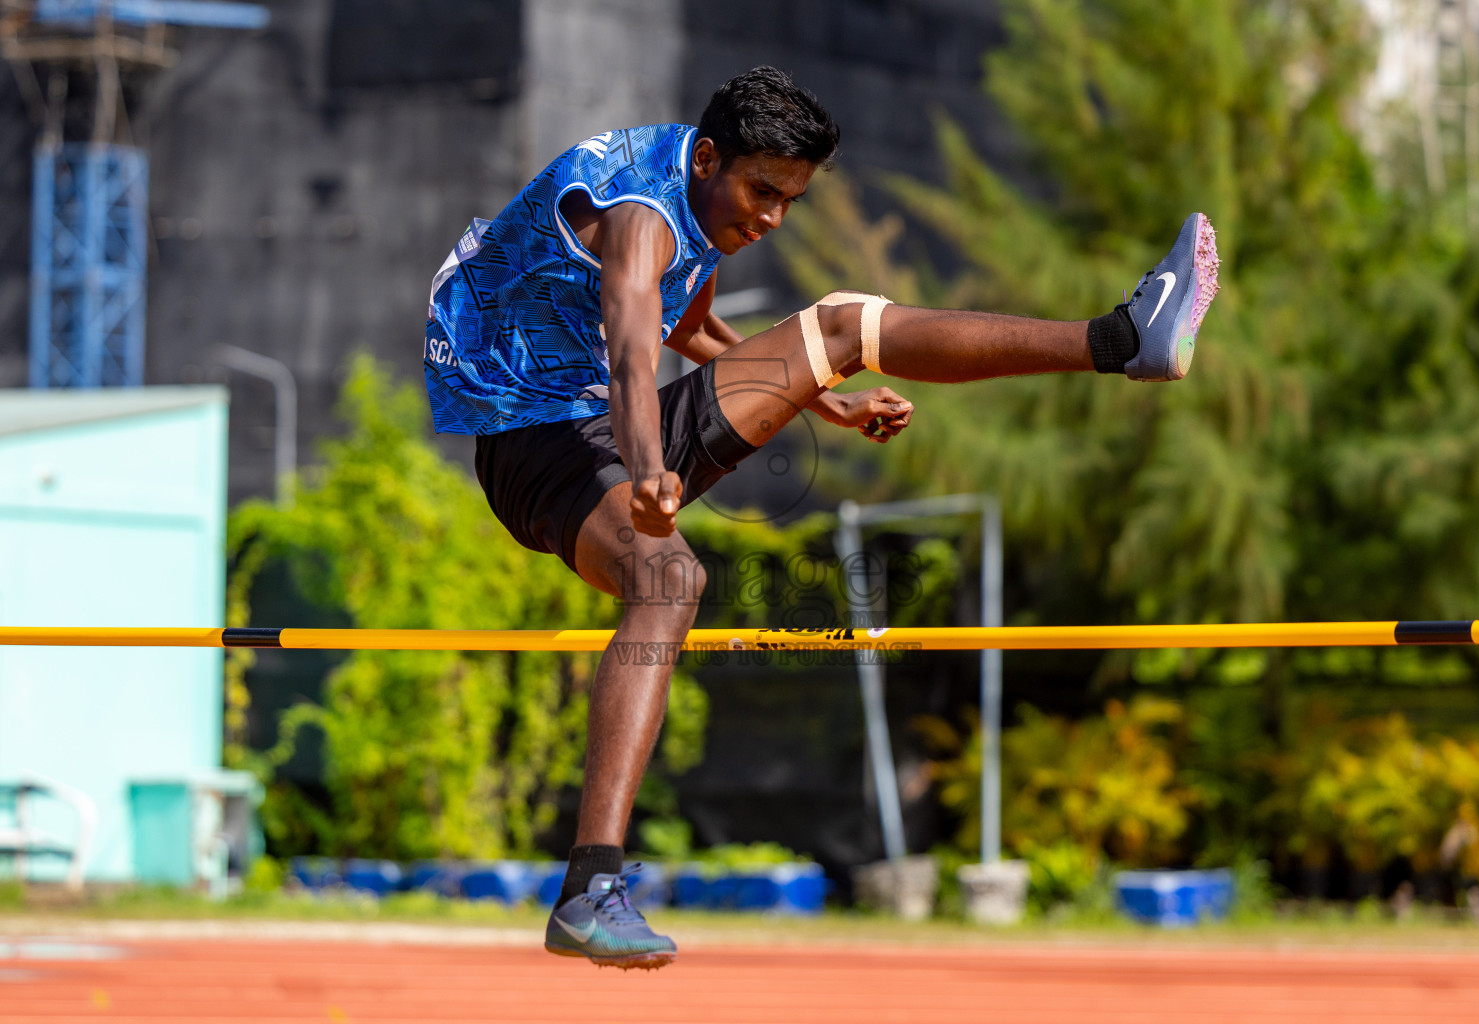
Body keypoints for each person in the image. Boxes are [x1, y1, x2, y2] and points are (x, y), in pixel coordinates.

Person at [423, 66, 1219, 970]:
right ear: (711, 156)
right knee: (668, 576)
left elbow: (691, 333)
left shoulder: (693, 187)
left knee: (842, 327)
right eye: (762, 193)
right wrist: (647, 473)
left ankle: (1122, 341)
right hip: (539, 442)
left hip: (600, 422)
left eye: (790, 202)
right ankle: (589, 889)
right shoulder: (641, 215)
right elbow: (635, 349)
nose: (770, 219)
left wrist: (821, 402)